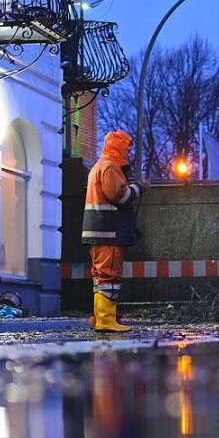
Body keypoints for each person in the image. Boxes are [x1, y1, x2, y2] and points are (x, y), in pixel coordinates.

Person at [82, 130, 141, 333]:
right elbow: (121, 196)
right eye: (127, 148)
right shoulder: (110, 168)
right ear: (121, 147)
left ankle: (100, 317)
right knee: (109, 275)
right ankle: (107, 320)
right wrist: (138, 188)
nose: (129, 152)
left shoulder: (100, 166)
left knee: (100, 276)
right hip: (109, 232)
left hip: (99, 231)